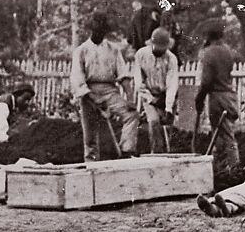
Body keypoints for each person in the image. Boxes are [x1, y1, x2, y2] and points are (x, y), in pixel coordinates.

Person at [71, 12, 139, 160]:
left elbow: (123, 76)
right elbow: (78, 80)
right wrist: (93, 97)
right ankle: (91, 164)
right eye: (97, 29)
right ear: (92, 29)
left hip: (110, 91)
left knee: (131, 114)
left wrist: (130, 98)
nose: (100, 32)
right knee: (90, 135)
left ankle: (126, 152)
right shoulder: (81, 51)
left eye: (102, 29)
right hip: (88, 92)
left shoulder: (113, 49)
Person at [194, 20, 240, 171]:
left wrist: (199, 98)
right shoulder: (228, 51)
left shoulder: (208, 53)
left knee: (225, 134)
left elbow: (206, 81)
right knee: (220, 134)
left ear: (208, 36)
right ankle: (219, 168)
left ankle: (234, 168)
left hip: (217, 97)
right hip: (230, 96)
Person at [133, 26, 179, 154]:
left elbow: (172, 83)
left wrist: (168, 107)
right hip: (149, 93)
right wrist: (151, 100)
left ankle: (168, 154)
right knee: (154, 122)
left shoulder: (171, 59)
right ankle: (156, 153)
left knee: (167, 127)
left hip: (166, 95)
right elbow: (139, 83)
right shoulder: (141, 55)